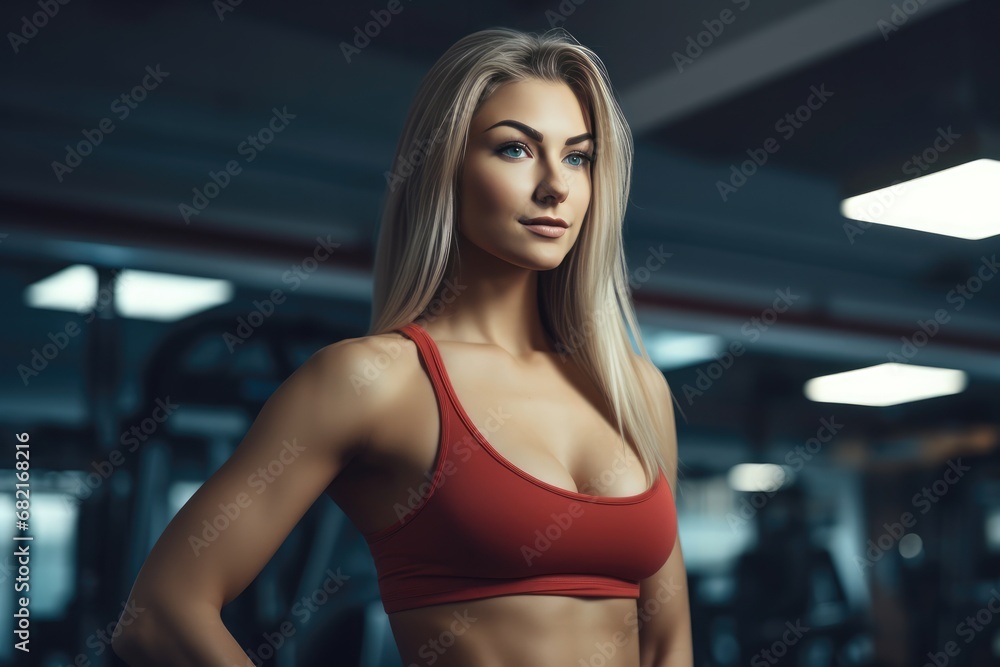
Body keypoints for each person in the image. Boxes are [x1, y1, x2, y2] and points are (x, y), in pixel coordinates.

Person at [112, 26, 693, 667]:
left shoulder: (635, 388)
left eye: (578, 157)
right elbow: (160, 614)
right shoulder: (371, 381)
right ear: (445, 166)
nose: (556, 184)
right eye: (515, 150)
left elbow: (669, 644)